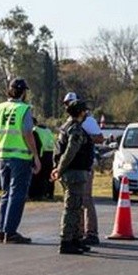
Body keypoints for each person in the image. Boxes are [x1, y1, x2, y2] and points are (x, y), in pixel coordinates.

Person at [0, 78, 41, 245]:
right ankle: (11, 232)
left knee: (5, 194)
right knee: (17, 195)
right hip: (20, 157)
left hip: (2, 156)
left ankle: (1, 231)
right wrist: (35, 155)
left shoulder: (0, 107)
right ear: (23, 92)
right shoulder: (23, 109)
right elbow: (27, 132)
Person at [51, 100, 95, 255]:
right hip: (74, 173)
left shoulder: (66, 127)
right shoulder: (74, 129)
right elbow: (70, 151)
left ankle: (75, 239)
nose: (86, 114)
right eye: (85, 112)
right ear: (81, 112)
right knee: (71, 208)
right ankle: (67, 241)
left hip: (74, 172)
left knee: (77, 207)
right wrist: (59, 169)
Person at [62, 92, 104, 246]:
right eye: (67, 103)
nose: (69, 106)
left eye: (71, 102)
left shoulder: (89, 121)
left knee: (85, 199)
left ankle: (91, 232)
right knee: (74, 201)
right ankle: (76, 233)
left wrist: (84, 138)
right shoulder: (68, 123)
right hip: (72, 167)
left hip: (84, 166)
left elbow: (100, 137)